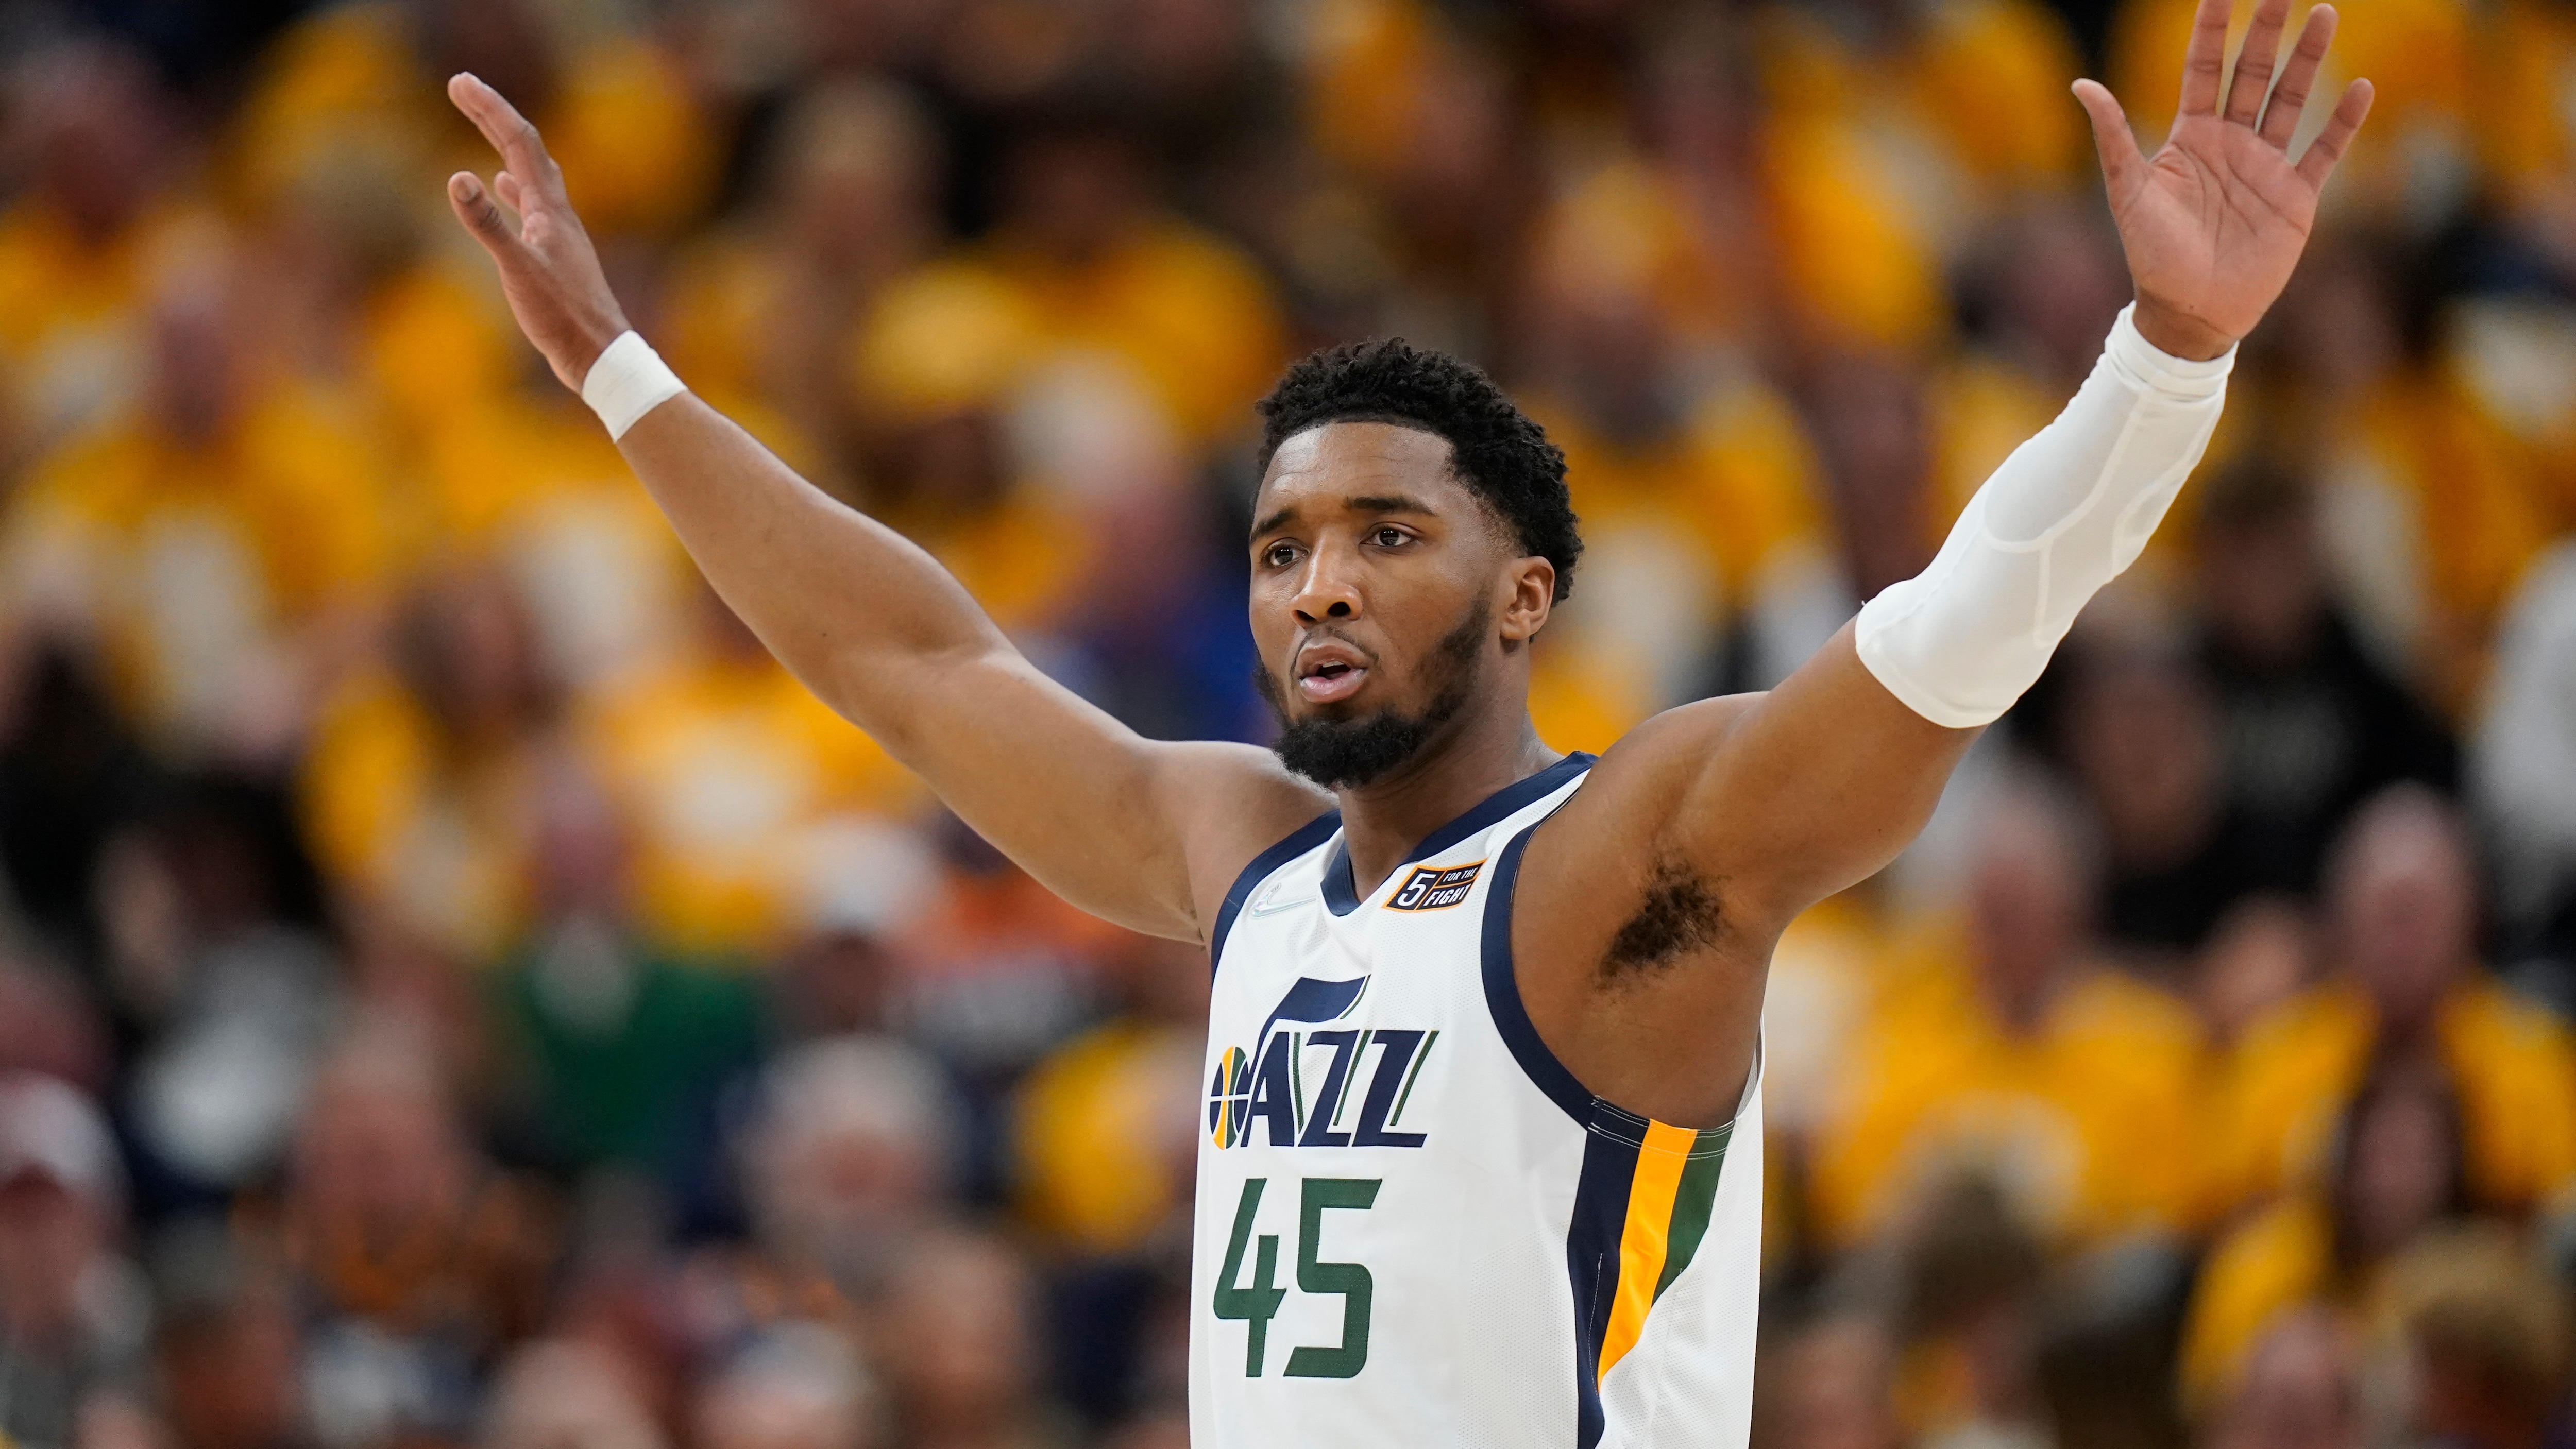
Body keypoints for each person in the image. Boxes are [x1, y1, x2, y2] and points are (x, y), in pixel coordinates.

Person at [435, 0, 2371, 1436]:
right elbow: (914, 665)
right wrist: (615, 372)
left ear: (1525, 593)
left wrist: (2167, 360)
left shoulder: (1635, 860)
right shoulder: (1245, 861)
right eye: (1280, 547)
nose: (1320, 583)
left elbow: (1957, 636)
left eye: (1384, 535)